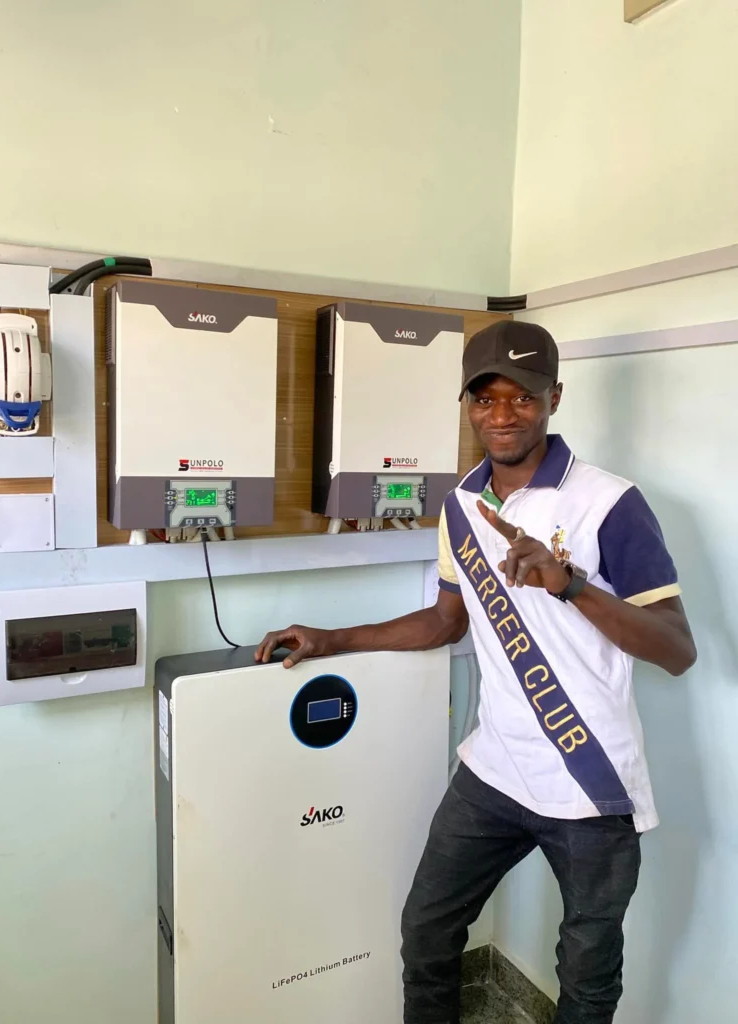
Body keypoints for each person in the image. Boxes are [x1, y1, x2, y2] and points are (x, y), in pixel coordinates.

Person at [255, 320, 697, 1024]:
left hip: (590, 783)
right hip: (495, 770)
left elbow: (678, 649)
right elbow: (445, 621)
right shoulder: (461, 505)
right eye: (483, 398)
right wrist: (331, 639)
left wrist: (571, 585)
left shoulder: (610, 504)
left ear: (553, 397)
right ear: (466, 404)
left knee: (586, 976)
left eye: (519, 398)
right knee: (426, 932)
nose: (500, 415)